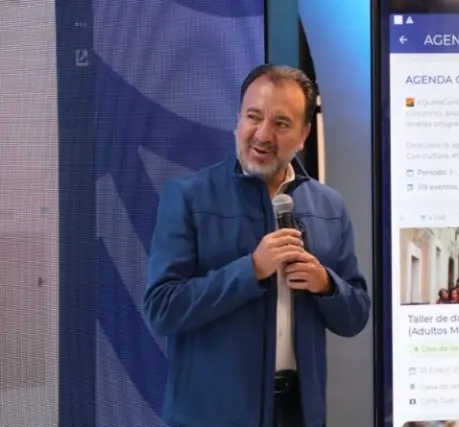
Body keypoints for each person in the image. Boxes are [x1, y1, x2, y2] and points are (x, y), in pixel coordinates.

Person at [144, 64, 371, 427]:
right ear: (238, 120)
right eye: (254, 116)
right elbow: (163, 309)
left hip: (297, 412)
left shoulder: (329, 206)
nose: (262, 134)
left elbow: (356, 315)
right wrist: (250, 270)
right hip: (212, 418)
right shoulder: (188, 198)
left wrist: (326, 284)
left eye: (281, 123)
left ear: (303, 134)